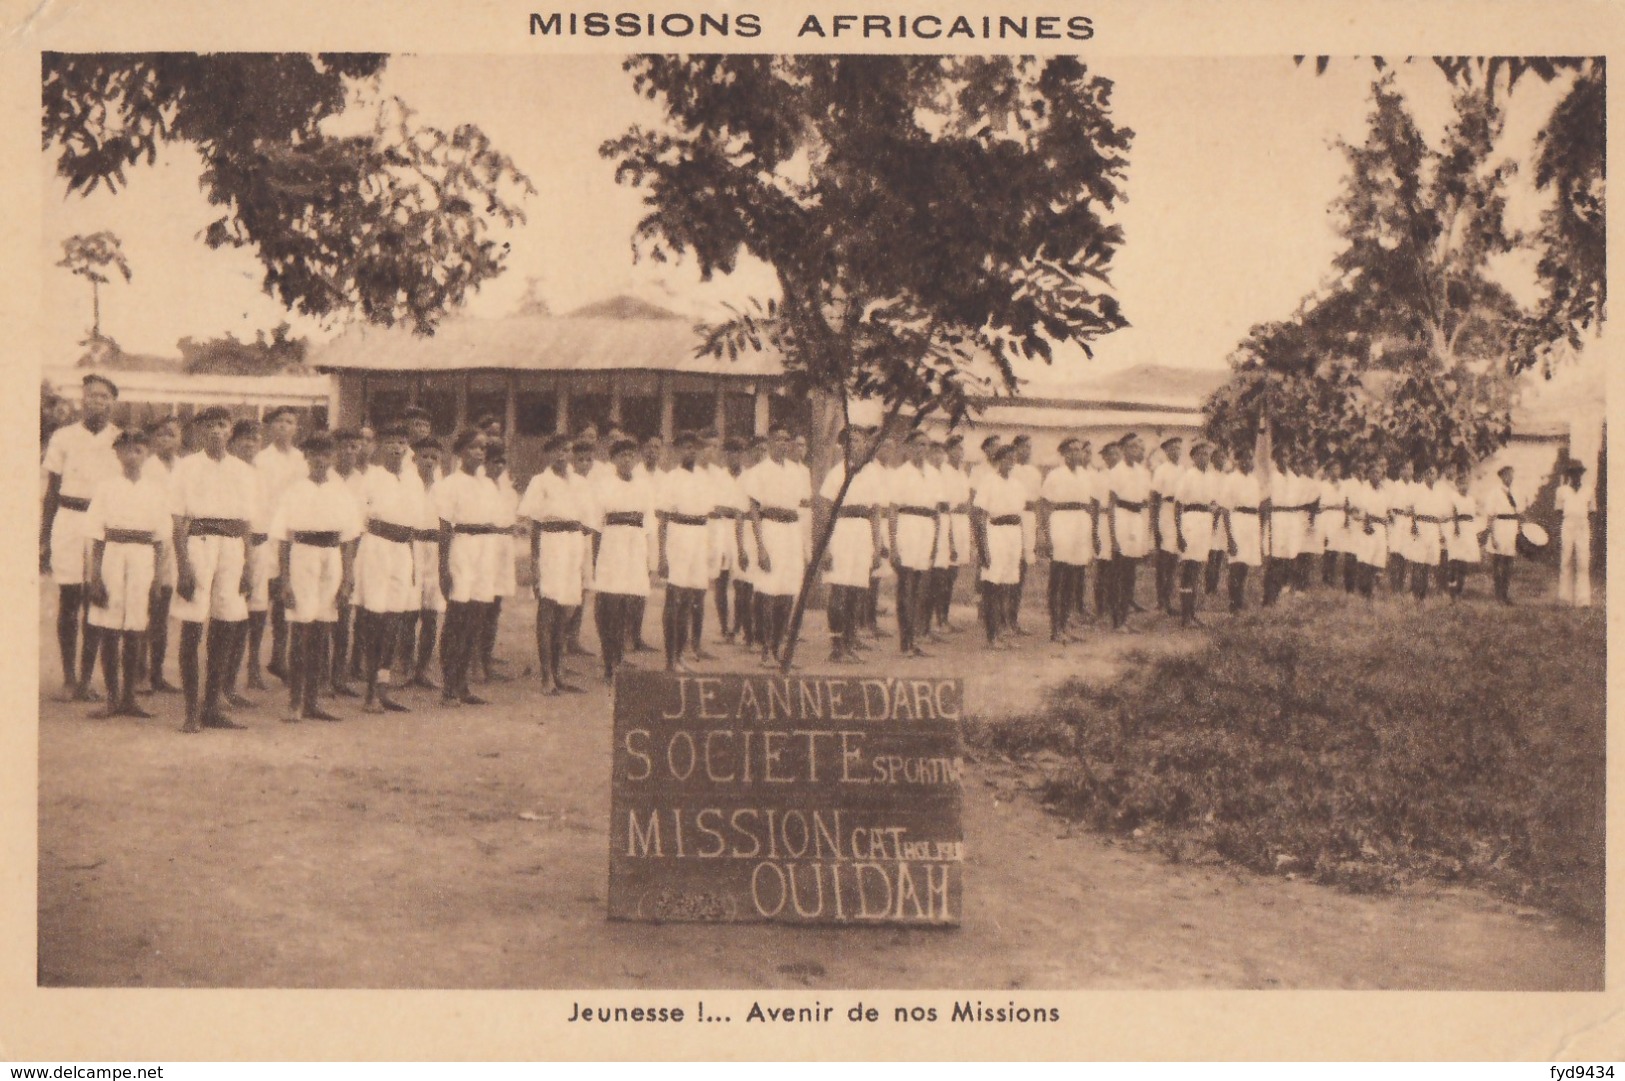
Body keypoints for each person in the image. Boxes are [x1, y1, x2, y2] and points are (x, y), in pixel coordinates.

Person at [169, 406, 259, 733]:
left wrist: (248, 565)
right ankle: (191, 711)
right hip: (199, 543)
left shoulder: (244, 471)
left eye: (222, 425)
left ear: (230, 429)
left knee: (226, 625)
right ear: (199, 430)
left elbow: (247, 522)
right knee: (193, 624)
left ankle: (212, 706)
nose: (216, 431)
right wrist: (183, 567)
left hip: (233, 547)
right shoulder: (186, 467)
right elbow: (178, 521)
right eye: (209, 426)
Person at [41, 372, 123, 701]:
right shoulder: (63, 437)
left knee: (95, 600)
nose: (97, 401)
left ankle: (88, 678)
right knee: (69, 599)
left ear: (113, 402)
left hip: (102, 526)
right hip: (69, 520)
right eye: (91, 395)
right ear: (82, 399)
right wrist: (44, 537)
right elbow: (51, 492)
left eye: (104, 396)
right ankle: (68, 677)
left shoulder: (120, 439)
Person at [270, 432, 360, 723]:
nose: (321, 460)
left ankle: (313, 700)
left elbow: (348, 539)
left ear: (333, 458)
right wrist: (284, 580)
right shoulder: (294, 491)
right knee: (301, 629)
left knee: (322, 628)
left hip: (331, 557)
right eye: (315, 455)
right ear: (307, 458)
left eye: (327, 455)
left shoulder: (341, 492)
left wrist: (347, 578)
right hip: (303, 556)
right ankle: (294, 702)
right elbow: (283, 539)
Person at [83, 429, 170, 718]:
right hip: (113, 554)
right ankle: (112, 697)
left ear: (147, 455)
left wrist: (158, 577)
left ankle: (129, 697)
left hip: (142, 557)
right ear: (117, 454)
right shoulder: (107, 488)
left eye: (139, 451)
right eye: (126, 450)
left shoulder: (156, 491)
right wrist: (94, 576)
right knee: (109, 624)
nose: (132, 456)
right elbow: (96, 536)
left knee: (136, 626)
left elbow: (160, 540)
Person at [350, 424, 423, 713]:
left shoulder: (413, 479)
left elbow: (415, 523)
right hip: (376, 546)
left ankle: (383, 687)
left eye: (402, 441)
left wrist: (413, 561)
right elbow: (357, 520)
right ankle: (369, 692)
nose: (397, 447)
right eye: (391, 441)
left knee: (394, 619)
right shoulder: (371, 477)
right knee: (374, 619)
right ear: (381, 446)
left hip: (402, 549)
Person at [519, 435, 590, 695]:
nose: (563, 455)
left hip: (573, 543)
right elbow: (535, 524)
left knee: (567, 610)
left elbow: (586, 518)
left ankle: (560, 672)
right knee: (548, 608)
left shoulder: (581, 483)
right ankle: (546, 675)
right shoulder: (540, 481)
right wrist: (535, 561)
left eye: (567, 450)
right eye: (557, 451)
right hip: (551, 543)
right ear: (549, 454)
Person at [436, 431, 501, 705]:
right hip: (462, 546)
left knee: (476, 617)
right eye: (474, 447)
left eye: (483, 448)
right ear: (461, 451)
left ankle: (462, 684)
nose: (479, 452)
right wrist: (443, 566)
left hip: (485, 549)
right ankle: (449, 685)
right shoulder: (450, 484)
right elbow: (444, 526)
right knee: (457, 618)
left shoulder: (488, 485)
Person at [742, 427, 810, 666]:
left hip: (792, 531)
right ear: (769, 442)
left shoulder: (798, 472)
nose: (783, 444)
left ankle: (778, 648)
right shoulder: (758, 472)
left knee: (789, 590)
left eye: (786, 440)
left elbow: (800, 507)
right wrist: (761, 547)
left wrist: (802, 545)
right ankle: (765, 650)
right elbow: (754, 511)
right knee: (769, 591)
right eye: (778, 439)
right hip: (771, 529)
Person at [818, 426, 885, 663]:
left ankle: (850, 638)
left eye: (861, 441)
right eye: (852, 441)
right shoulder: (837, 473)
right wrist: (826, 546)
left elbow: (876, 511)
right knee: (839, 588)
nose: (857, 445)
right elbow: (825, 510)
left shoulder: (871, 473)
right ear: (845, 446)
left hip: (862, 533)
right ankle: (837, 646)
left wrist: (877, 546)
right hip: (842, 531)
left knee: (857, 589)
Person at [591, 438, 656, 683]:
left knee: (631, 602)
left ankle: (620, 657)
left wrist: (651, 560)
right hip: (612, 545)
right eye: (622, 456)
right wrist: (596, 560)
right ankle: (610, 660)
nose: (627, 460)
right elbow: (597, 527)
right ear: (613, 460)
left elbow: (649, 524)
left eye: (631, 455)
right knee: (610, 604)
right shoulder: (604, 485)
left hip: (636, 545)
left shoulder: (644, 486)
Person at [253, 405, 304, 685]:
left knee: (286, 599)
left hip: (293, 535)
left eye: (290, 421)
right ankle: (252, 665)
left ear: (297, 427)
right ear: (270, 427)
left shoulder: (302, 460)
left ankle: (279, 658)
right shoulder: (261, 459)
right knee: (261, 601)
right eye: (279, 422)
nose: (285, 426)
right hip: (266, 533)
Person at [887, 431, 940, 658]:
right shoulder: (900, 474)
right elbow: (892, 511)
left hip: (926, 529)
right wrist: (893, 545)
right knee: (906, 585)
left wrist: (935, 542)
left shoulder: (933, 474)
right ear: (909, 448)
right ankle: (905, 641)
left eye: (926, 446)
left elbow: (936, 512)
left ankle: (914, 640)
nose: (922, 450)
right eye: (918, 445)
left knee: (919, 587)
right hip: (907, 528)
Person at [141, 416, 183, 694]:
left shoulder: (184, 467)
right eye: (161, 435)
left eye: (171, 434)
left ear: (180, 438)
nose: (166, 439)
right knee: (144, 606)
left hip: (174, 541)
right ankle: (138, 672)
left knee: (163, 608)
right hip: (148, 540)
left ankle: (157, 673)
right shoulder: (146, 467)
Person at [1038, 437, 1094, 643]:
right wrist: (1045, 534)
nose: (1076, 454)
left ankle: (1066, 624)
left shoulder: (1086, 476)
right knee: (1059, 578)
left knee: (1074, 577)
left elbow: (1088, 505)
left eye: (1079, 450)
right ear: (1063, 453)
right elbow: (1044, 504)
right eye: (1071, 450)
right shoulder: (1055, 475)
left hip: (1080, 523)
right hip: (1061, 521)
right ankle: (1056, 628)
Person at [404, 437, 448, 688]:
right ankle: (407, 666)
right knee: (409, 611)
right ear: (415, 458)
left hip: (435, 549)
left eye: (434, 457)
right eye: (424, 456)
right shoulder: (407, 485)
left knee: (432, 612)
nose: (429, 461)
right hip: (413, 546)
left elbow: (447, 524)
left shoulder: (444, 488)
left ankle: (424, 668)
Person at [971, 443, 1024, 649]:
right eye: (1006, 458)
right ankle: (991, 636)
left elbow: (1018, 514)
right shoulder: (988, 482)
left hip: (1013, 534)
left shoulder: (1017, 485)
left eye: (1013, 459)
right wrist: (983, 548)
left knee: (1007, 585)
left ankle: (1002, 632)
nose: (1010, 462)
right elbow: (978, 515)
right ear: (998, 460)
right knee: (992, 585)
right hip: (995, 533)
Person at [478, 439, 520, 682]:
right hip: (484, 546)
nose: (499, 466)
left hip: (503, 547)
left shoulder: (508, 490)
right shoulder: (479, 486)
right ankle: (474, 663)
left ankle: (486, 658)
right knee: (480, 606)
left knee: (495, 607)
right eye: (494, 462)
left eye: (502, 462)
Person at [1105, 433, 1153, 631]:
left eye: (1139, 447)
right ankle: (1118, 621)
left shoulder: (1143, 472)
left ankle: (1125, 618)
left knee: (1131, 573)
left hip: (1136, 518)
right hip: (1122, 517)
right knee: (1119, 572)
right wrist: (1114, 537)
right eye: (1132, 447)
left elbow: (1144, 501)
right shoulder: (1116, 471)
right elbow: (1111, 505)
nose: (1137, 451)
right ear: (1123, 449)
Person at [1172, 441, 1218, 627]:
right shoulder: (1188, 476)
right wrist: (1179, 533)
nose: (1204, 458)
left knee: (1198, 567)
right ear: (1193, 457)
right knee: (1189, 568)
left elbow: (1214, 501)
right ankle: (1185, 616)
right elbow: (1178, 505)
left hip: (1204, 522)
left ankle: (1193, 612)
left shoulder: (1210, 477)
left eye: (1207, 454)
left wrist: (1212, 514)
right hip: (1190, 521)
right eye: (1200, 454)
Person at [1220, 447, 1265, 612]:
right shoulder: (1231, 479)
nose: (1247, 462)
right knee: (1236, 564)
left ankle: (1240, 600)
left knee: (1246, 564)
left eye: (1250, 458)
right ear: (1237, 461)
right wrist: (1230, 537)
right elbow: (1225, 510)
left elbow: (1258, 506)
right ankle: (1233, 604)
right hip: (1238, 521)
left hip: (1251, 523)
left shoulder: (1254, 481)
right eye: (1244, 459)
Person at [937, 435, 973, 633]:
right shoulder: (943, 471)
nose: (960, 453)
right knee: (944, 572)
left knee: (953, 572)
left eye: (962, 449)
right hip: (948, 520)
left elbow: (966, 500)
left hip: (961, 522)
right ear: (948, 450)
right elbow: (944, 504)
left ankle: (945, 616)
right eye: (957, 449)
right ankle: (940, 618)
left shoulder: (962, 472)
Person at [1008, 434, 1042, 634]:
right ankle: (1001, 618)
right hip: (1013, 517)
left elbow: (1036, 502)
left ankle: (1013, 618)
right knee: (1009, 566)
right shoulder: (1010, 471)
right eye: (1023, 447)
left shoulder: (1035, 472)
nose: (1027, 451)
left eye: (1029, 447)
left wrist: (1036, 528)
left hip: (1028, 518)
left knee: (1022, 569)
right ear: (1015, 449)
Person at [1149, 436, 1185, 616]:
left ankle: (1169, 596)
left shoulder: (1183, 470)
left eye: (1179, 448)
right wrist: (1154, 523)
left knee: (1175, 558)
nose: (1176, 451)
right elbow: (1154, 497)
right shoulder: (1161, 470)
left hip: (1181, 513)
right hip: (1166, 511)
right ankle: (1162, 600)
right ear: (1166, 451)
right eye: (1173, 449)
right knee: (1165, 556)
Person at [1555, 461, 1594, 608]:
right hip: (1568, 525)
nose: (1576, 476)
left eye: (1578, 472)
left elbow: (1592, 512)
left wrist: (1590, 534)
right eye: (1573, 473)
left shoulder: (1588, 490)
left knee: (1583, 562)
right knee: (1566, 561)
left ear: (1581, 474)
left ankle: (1583, 600)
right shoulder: (1562, 490)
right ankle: (1565, 599)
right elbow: (1558, 512)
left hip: (1583, 525)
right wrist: (1559, 534)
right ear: (1569, 475)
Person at [1409, 464, 1450, 602]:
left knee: (1429, 561)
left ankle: (1423, 592)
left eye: (1435, 474)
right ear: (1425, 475)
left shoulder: (1438, 492)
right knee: (1419, 560)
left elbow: (1441, 514)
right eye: (1430, 473)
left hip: (1433, 527)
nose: (1433, 476)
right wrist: (1414, 525)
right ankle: (1415, 592)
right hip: (1421, 525)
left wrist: (1441, 532)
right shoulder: (1418, 489)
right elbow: (1411, 509)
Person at [1483, 464, 1521, 605]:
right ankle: (1498, 595)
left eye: (1512, 474)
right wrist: (1492, 536)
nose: (1510, 477)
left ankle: (1505, 594)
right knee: (1498, 563)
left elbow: (1517, 513)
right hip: (1499, 528)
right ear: (1502, 476)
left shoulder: (1514, 493)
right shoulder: (1495, 493)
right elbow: (1490, 516)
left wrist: (1518, 531)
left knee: (1508, 563)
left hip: (1510, 529)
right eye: (1508, 475)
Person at [1444, 469, 1481, 600]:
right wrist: (1455, 528)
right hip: (1457, 528)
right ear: (1457, 484)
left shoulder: (1471, 499)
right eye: (1461, 483)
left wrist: (1475, 531)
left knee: (1465, 561)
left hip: (1469, 530)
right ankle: (1452, 589)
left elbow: (1474, 516)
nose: (1464, 486)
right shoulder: (1453, 497)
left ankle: (1460, 589)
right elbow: (1451, 514)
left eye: (1466, 483)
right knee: (1455, 560)